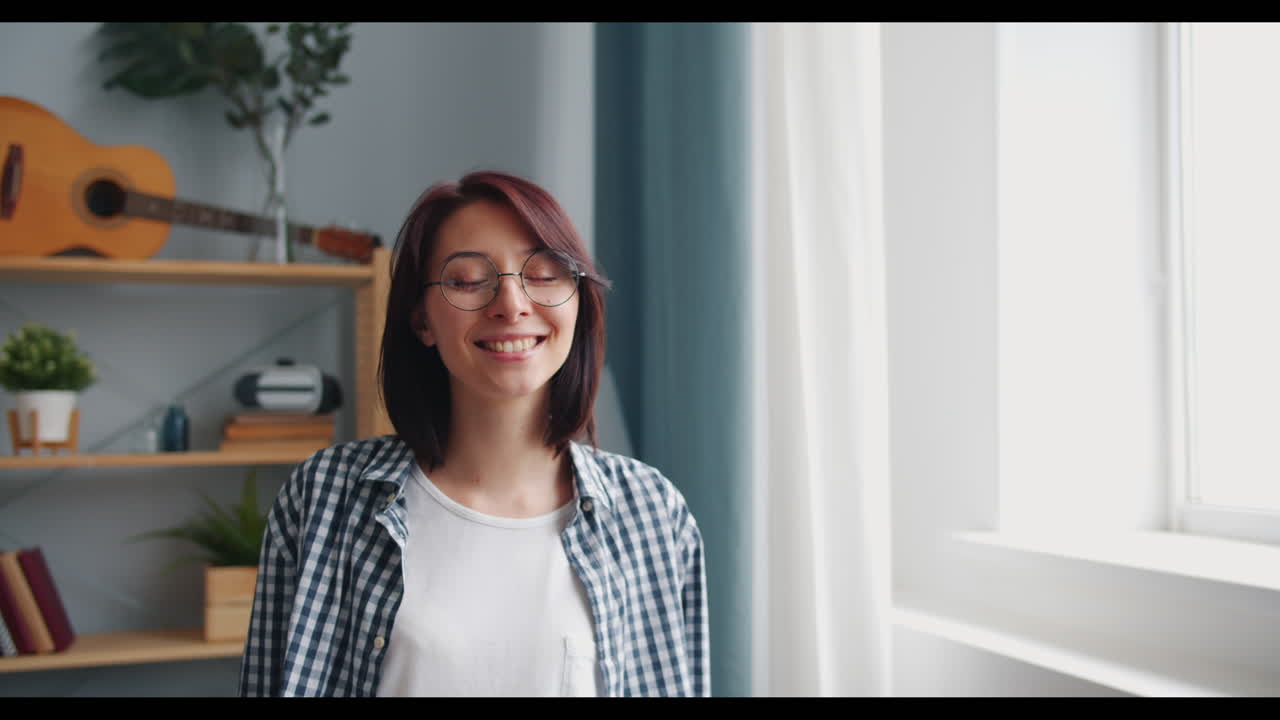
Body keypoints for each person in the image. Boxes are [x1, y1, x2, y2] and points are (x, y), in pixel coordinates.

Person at [237, 169, 709, 697]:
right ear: (421, 319)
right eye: (466, 281)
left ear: (578, 300)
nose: (511, 304)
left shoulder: (652, 512)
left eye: (546, 273)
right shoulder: (324, 498)